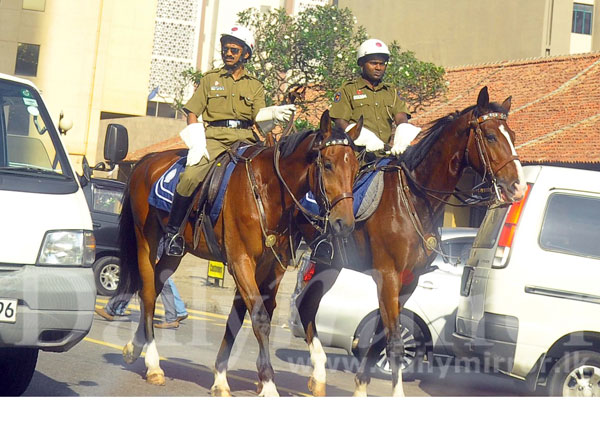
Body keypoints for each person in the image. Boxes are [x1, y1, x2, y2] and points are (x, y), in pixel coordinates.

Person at [164, 24, 295, 256]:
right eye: (226, 49)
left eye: (234, 50)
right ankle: (173, 232)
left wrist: (274, 113)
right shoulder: (210, 79)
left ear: (246, 54)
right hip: (214, 138)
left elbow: (258, 118)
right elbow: (192, 111)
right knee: (190, 176)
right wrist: (196, 141)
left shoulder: (255, 85)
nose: (229, 53)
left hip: (245, 139)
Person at [329, 38, 421, 162]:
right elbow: (340, 121)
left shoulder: (391, 91)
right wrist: (361, 136)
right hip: (357, 159)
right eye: (373, 63)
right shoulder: (348, 90)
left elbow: (400, 115)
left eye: (382, 64)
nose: (378, 67)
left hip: (385, 156)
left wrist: (402, 129)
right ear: (362, 64)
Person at [94, 277, 188, 329]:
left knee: (162, 280)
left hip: (157, 251)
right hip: (159, 250)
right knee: (134, 278)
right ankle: (113, 309)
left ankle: (173, 316)